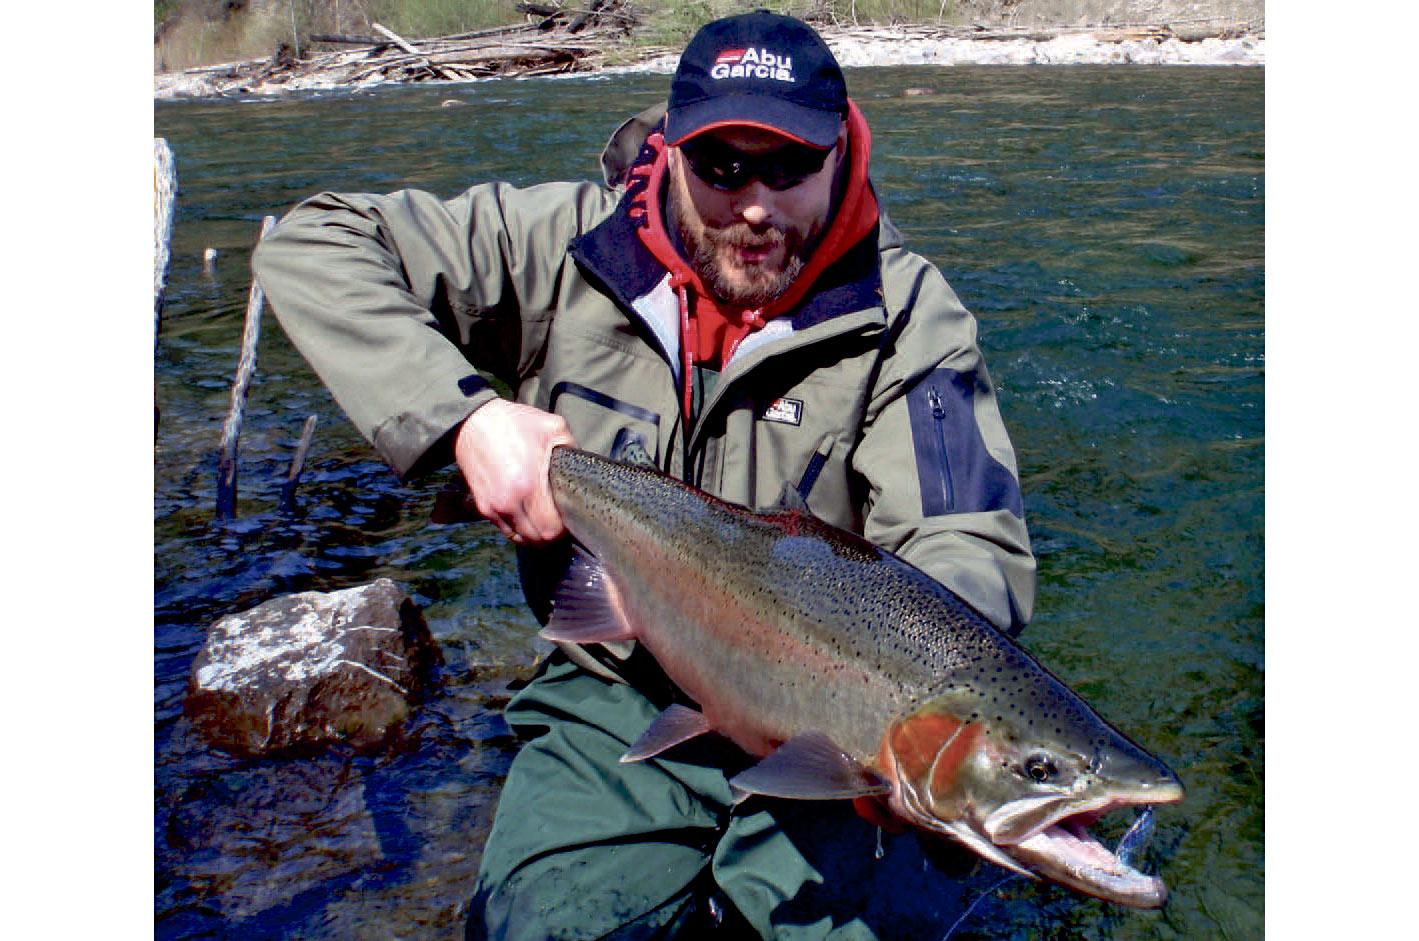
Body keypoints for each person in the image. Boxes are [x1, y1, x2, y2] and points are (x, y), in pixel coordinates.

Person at [254, 11, 1035, 939]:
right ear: (670, 152)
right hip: (611, 687)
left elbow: (963, 539)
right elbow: (314, 243)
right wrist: (466, 415)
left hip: (825, 715)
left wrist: (918, 720)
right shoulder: (559, 247)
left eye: (787, 168)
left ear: (843, 153)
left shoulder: (908, 317)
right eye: (722, 166)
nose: (754, 204)